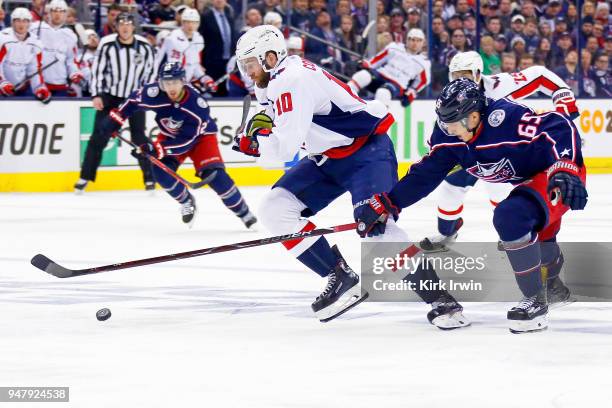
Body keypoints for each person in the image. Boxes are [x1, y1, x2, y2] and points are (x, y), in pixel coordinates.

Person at [233, 25, 468, 328]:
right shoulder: (272, 80)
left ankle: (441, 300)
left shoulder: (290, 80)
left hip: (366, 153)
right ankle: (339, 275)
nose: (248, 72)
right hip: (328, 157)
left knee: (377, 228)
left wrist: (255, 144)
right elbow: (276, 127)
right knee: (274, 209)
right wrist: (258, 136)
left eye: (250, 64)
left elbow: (286, 147)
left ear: (269, 56)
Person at [357, 78, 587, 333]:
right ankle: (553, 286)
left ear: (475, 115)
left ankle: (536, 299)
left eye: (454, 121)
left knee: (510, 216)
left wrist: (566, 167)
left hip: (557, 175)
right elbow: (427, 173)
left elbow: (559, 125)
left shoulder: (506, 118)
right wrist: (390, 202)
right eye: (444, 121)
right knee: (538, 241)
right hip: (528, 183)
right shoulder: (448, 133)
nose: (449, 128)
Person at [419, 51, 579, 252]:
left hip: (501, 154)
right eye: (456, 75)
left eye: (466, 74)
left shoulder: (498, 84)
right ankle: (446, 233)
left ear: (478, 74)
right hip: (468, 153)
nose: (461, 80)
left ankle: (513, 233)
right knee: (450, 191)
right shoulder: (450, 95)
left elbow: (538, 74)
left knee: (500, 193)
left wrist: (562, 94)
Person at [96, 62, 257, 228]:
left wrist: (158, 149)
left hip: (201, 138)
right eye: (166, 83)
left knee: (217, 177)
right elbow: (132, 101)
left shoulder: (197, 106)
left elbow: (188, 140)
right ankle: (187, 201)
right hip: (170, 135)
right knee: (160, 171)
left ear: (183, 81)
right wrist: (115, 120)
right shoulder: (153, 93)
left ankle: (243, 212)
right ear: (160, 83)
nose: (171, 87)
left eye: (175, 82)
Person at [75, 13, 155, 193]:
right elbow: (98, 71)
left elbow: (151, 73)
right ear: (116, 27)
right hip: (111, 97)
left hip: (134, 99)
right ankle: (84, 177)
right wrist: (96, 94)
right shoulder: (107, 44)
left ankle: (150, 178)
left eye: (128, 24)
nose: (125, 27)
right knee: (98, 136)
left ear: (134, 27)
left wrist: (146, 97)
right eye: (121, 24)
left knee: (139, 138)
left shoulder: (145, 47)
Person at [348, 28, 431, 107]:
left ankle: (378, 116)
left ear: (423, 43)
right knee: (363, 75)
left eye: (419, 40)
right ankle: (346, 98)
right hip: (381, 75)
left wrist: (412, 92)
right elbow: (375, 61)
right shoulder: (394, 47)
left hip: (397, 84)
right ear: (407, 40)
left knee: (383, 93)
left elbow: (423, 81)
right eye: (413, 39)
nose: (415, 43)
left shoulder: (424, 62)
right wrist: (366, 64)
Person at [30, 0, 83, 97]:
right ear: (49, 13)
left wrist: (74, 73)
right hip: (39, 84)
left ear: (66, 14)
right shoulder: (35, 28)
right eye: (54, 11)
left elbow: (71, 60)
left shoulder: (70, 35)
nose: (58, 14)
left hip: (60, 85)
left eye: (61, 11)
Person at [154, 8, 216, 92]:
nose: (190, 25)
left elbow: (193, 65)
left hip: (184, 85)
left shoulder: (198, 39)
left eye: (194, 22)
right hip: (167, 83)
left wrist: (205, 79)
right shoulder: (172, 38)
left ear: (198, 24)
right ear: (182, 22)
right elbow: (165, 64)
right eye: (187, 22)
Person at [0, 7, 50, 102]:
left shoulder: (36, 43)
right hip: (2, 88)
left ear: (29, 23)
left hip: (23, 88)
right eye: (17, 20)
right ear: (12, 22)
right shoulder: (3, 38)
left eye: (25, 21)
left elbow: (35, 70)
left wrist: (39, 88)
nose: (21, 24)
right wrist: (2, 83)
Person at [200, 0, 236, 96]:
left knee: (226, 91)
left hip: (228, 63)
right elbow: (201, 41)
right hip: (212, 63)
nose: (219, 0)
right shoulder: (205, 17)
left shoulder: (229, 16)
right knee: (213, 92)